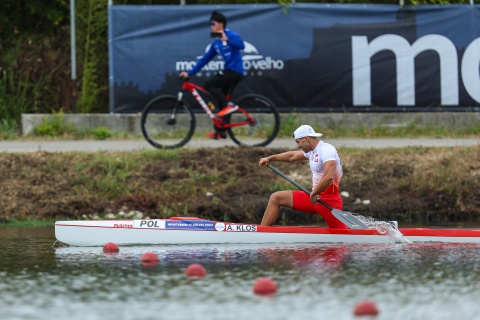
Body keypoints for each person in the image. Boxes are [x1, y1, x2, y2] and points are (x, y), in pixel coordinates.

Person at [258, 125, 347, 229]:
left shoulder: (327, 150)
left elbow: (328, 177)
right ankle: (261, 231)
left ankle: (367, 233)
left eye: (298, 141)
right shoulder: (312, 152)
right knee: (276, 198)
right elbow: (292, 156)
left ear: (306, 139)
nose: (298, 146)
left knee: (341, 232)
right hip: (314, 198)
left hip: (328, 201)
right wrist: (270, 158)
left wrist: (314, 193)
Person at [179, 10, 245, 139]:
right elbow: (204, 60)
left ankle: (229, 106)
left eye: (213, 23)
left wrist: (227, 39)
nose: (211, 26)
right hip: (228, 71)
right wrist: (189, 73)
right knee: (222, 102)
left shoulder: (232, 35)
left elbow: (241, 45)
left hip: (235, 72)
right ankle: (221, 132)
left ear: (221, 24)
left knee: (209, 84)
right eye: (210, 24)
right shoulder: (216, 43)